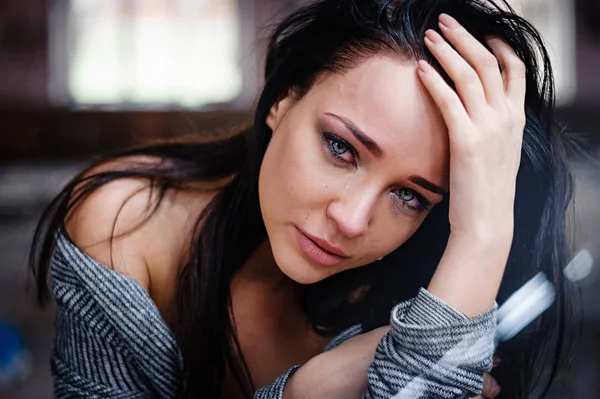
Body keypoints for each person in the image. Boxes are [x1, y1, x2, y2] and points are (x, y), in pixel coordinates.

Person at [29, 0, 574, 398]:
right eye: (340, 147)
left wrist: (484, 232)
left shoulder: (432, 288)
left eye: (409, 196)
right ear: (283, 99)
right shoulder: (126, 223)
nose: (352, 220)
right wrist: (309, 390)